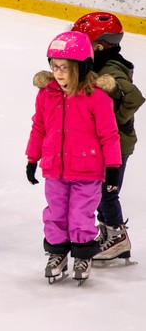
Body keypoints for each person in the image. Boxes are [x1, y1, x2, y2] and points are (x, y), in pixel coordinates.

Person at [26, 31, 121, 285]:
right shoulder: (47, 94)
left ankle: (82, 255)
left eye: (64, 68)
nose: (58, 73)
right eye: (54, 66)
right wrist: (32, 159)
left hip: (88, 172)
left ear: (81, 67)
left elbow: (109, 136)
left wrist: (112, 167)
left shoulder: (97, 97)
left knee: (80, 215)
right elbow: (39, 128)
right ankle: (57, 254)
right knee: (55, 213)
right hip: (54, 169)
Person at [71, 12, 142, 263]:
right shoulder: (100, 65)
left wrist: (117, 121)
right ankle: (108, 231)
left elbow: (134, 98)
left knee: (106, 192)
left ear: (99, 46)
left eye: (84, 43)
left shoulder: (111, 72)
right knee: (98, 188)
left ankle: (117, 237)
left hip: (117, 144)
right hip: (104, 142)